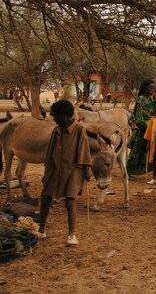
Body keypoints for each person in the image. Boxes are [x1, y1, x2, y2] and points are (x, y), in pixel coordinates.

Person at [36, 100, 92, 246]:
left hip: (73, 169)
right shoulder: (56, 130)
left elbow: (84, 150)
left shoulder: (79, 129)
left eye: (54, 116)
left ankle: (72, 234)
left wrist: (87, 169)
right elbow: (50, 153)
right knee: (46, 198)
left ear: (63, 115)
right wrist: (46, 173)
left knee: (70, 201)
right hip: (55, 168)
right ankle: (41, 230)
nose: (53, 119)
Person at [126, 79, 156, 175]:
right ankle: (128, 171)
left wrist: (155, 102)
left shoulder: (151, 99)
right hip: (141, 129)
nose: (152, 90)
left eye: (153, 89)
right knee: (136, 151)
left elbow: (153, 113)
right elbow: (139, 116)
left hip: (149, 128)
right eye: (150, 88)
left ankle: (138, 170)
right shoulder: (141, 99)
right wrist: (144, 124)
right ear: (144, 88)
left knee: (144, 151)